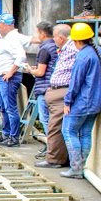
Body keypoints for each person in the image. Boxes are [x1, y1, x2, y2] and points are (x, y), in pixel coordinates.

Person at [60, 22, 101, 178]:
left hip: (82, 102)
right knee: (86, 133)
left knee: (68, 131)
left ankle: (76, 168)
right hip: (97, 101)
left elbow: (75, 83)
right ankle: (81, 166)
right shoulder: (100, 52)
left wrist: (67, 102)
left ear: (77, 41)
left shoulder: (82, 56)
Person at [0, 13, 33, 147]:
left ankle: (13, 138)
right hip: (0, 76)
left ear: (6, 25)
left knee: (10, 108)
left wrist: (10, 72)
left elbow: (21, 57)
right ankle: (7, 134)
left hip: (8, 77)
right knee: (3, 107)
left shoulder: (13, 38)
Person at [42, 24, 75, 168]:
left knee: (55, 126)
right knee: (55, 126)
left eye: (54, 37)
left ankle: (55, 159)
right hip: (57, 92)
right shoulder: (65, 49)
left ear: (61, 38)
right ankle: (59, 156)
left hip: (62, 92)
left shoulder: (73, 49)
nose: (53, 39)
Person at [30, 21, 57, 160]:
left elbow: (41, 72)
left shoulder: (45, 48)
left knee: (46, 120)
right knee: (53, 121)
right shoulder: (55, 46)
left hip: (44, 88)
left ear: (42, 33)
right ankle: (51, 148)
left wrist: (29, 70)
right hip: (53, 88)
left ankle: (51, 150)